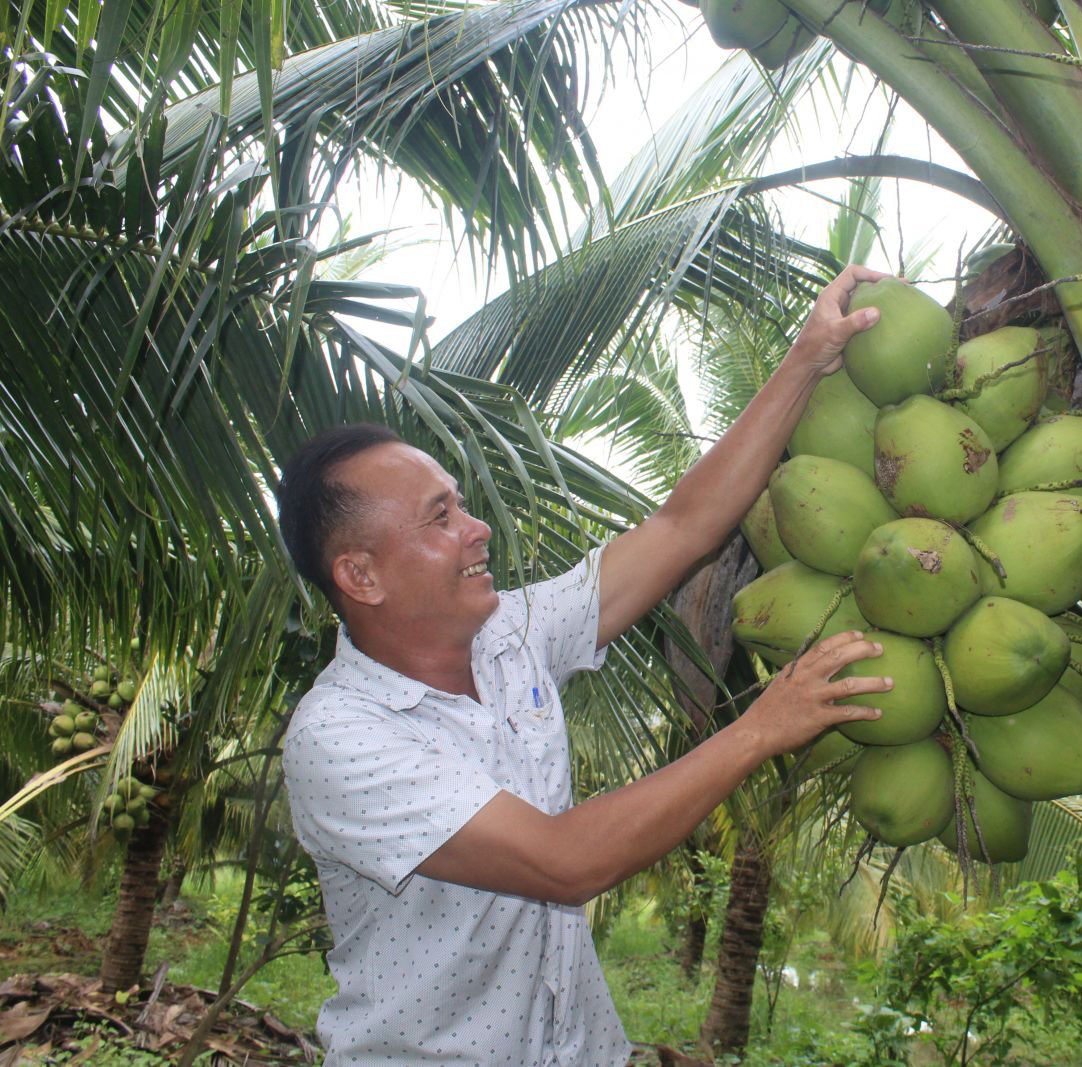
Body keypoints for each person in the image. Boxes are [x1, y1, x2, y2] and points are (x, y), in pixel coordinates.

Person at [276, 265, 896, 1065]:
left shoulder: (512, 632)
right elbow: (564, 861)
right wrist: (759, 730)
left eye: (461, 503)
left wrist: (806, 359)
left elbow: (682, 527)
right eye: (441, 518)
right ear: (361, 575)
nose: (478, 530)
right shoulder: (340, 736)